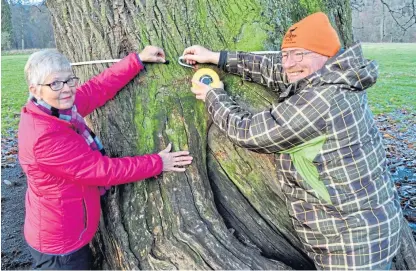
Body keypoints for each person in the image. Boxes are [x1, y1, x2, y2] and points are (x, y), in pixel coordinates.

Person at [183, 12, 402, 270]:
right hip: (367, 227)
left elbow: (249, 132)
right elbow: (275, 67)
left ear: (325, 53)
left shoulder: (323, 100)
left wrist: (213, 95)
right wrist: (217, 57)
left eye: (299, 54)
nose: (289, 63)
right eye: (287, 54)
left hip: (353, 245)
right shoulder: (334, 76)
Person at [18, 46, 193, 270]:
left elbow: (96, 89)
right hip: (60, 245)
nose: (67, 89)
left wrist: (136, 60)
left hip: (64, 228)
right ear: (35, 89)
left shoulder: (56, 110)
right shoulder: (45, 136)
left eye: (70, 80)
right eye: (55, 83)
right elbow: (102, 171)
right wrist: (158, 163)